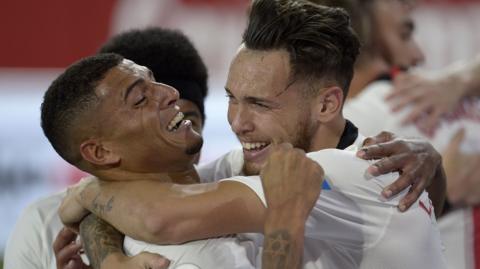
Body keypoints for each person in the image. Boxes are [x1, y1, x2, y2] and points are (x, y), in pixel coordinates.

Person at [59, 1, 447, 268]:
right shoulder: (255, 162)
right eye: (232, 98)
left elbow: (160, 216)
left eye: (260, 104)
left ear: (327, 105)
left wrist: (87, 193)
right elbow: (147, 195)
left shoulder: (349, 173)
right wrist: (109, 254)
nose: (238, 122)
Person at [4, 27, 209, 269]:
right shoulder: (43, 223)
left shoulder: (231, 176)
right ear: (101, 152)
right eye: (141, 100)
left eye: (188, 121)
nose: (170, 95)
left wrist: (87, 196)